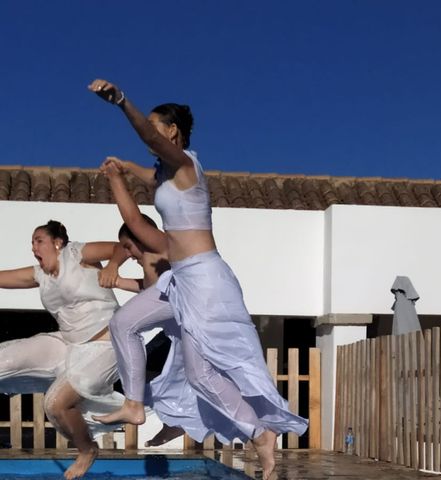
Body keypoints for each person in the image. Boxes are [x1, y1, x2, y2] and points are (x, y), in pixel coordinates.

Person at [89, 78, 308, 479]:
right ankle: (135, 404)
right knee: (123, 323)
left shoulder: (188, 166)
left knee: (201, 373)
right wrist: (118, 175)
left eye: (157, 127)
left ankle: (260, 433)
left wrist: (121, 102)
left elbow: (153, 149)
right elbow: (136, 220)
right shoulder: (165, 181)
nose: (152, 137)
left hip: (206, 280)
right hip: (179, 281)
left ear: (172, 132)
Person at [100, 161, 216, 447]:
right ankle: (175, 423)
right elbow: (148, 290)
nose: (127, 254)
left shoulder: (160, 245)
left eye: (128, 247)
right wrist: (119, 280)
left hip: (189, 318)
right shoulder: (150, 261)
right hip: (175, 326)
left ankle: (140, 407)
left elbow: (134, 219)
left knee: (126, 330)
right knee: (170, 376)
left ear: (142, 238)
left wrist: (116, 179)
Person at [0, 220, 126, 480]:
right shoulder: (40, 275)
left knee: (55, 404)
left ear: (57, 243)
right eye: (32, 243)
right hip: (68, 342)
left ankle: (87, 450)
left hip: (105, 344)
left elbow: (122, 246)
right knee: (4, 359)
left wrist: (113, 265)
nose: (33, 247)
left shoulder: (78, 254)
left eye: (39, 241)